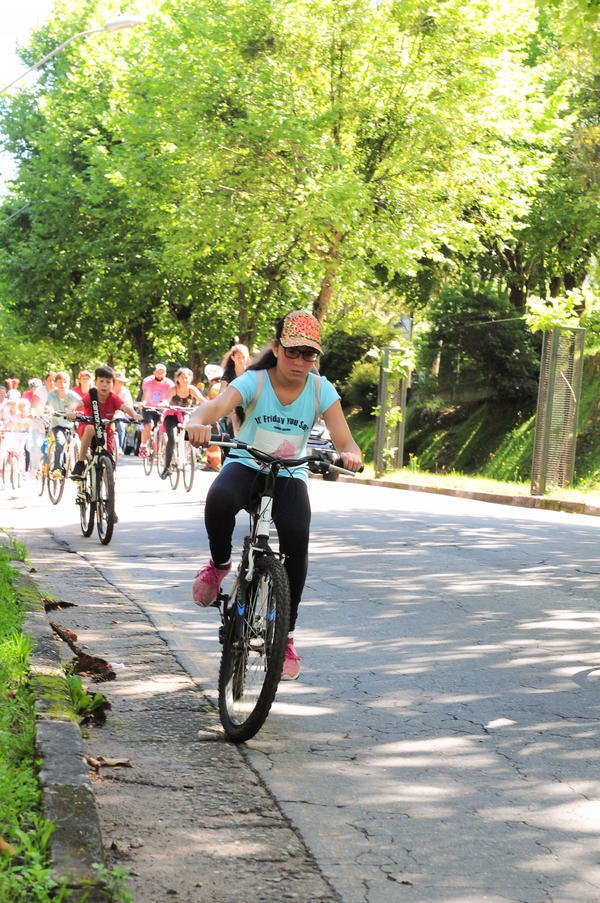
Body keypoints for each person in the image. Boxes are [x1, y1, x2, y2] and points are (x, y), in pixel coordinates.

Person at [186, 310, 362, 680]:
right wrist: (197, 422)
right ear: (276, 348)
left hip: (289, 473)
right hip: (247, 464)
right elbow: (214, 407)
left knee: (297, 538)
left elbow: (345, 440)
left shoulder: (320, 389)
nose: (300, 362)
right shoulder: (254, 381)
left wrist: (351, 454)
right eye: (293, 352)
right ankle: (219, 565)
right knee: (219, 499)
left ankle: (285, 635)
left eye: (308, 354)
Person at [68, 365, 141, 480]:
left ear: (112, 384)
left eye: (108, 382)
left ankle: (109, 494)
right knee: (91, 428)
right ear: (95, 382)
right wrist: (70, 411)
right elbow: (77, 403)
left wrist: (135, 415)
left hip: (106, 432)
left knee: (109, 464)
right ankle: (80, 463)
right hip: (88, 429)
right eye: (101, 381)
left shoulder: (113, 397)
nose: (104, 384)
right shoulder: (91, 395)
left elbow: (125, 407)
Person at [161, 368, 203, 473]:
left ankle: (194, 452)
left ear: (190, 378)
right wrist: (163, 403)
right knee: (172, 438)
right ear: (177, 378)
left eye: (186, 377)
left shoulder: (192, 389)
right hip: (172, 416)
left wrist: (212, 406)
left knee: (194, 432)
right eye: (182, 377)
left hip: (186, 416)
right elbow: (167, 399)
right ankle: (167, 467)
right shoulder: (173, 389)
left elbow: (202, 400)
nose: (184, 379)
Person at [46, 372, 81, 476]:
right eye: (60, 382)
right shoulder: (52, 394)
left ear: (68, 383)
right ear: (55, 383)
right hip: (57, 425)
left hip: (71, 425)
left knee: (79, 442)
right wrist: (49, 409)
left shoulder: (72, 394)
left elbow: (83, 402)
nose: (62, 384)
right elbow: (48, 406)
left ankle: (78, 468)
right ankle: (57, 468)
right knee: (60, 442)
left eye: (65, 382)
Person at [138, 364, 175, 457]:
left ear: (165, 373)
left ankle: (166, 449)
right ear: (154, 372)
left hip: (162, 408)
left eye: (162, 372)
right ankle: (143, 445)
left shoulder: (170, 384)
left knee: (165, 427)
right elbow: (146, 393)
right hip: (149, 407)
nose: (160, 374)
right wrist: (143, 403)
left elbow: (170, 397)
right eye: (158, 371)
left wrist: (166, 404)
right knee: (149, 425)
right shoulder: (147, 381)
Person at [113, 370, 134, 452]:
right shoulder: (107, 389)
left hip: (119, 415)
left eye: (121, 381)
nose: (120, 383)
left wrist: (130, 414)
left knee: (121, 426)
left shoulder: (125, 391)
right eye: (118, 381)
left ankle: (119, 448)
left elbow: (129, 404)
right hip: (107, 414)